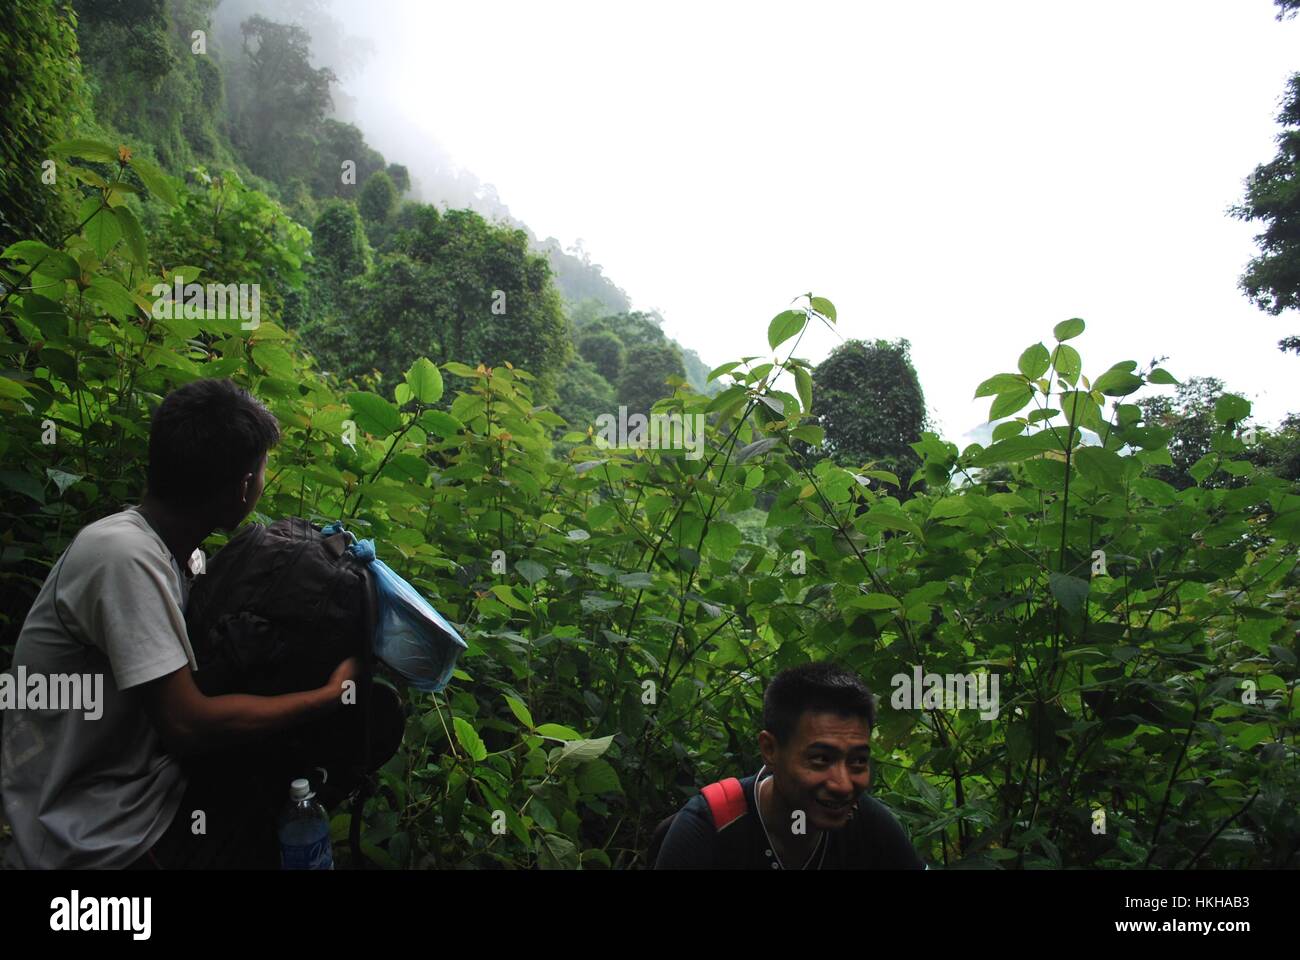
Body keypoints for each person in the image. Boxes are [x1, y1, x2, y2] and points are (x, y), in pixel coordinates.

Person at [0, 378, 358, 869]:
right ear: (241, 488)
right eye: (259, 472)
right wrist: (328, 697)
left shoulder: (176, 556)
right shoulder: (121, 556)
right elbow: (187, 722)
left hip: (134, 802)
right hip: (92, 838)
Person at [653, 661, 926, 869]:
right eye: (820, 759)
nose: (843, 785)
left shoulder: (868, 824)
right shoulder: (710, 827)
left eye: (857, 761)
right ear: (770, 749)